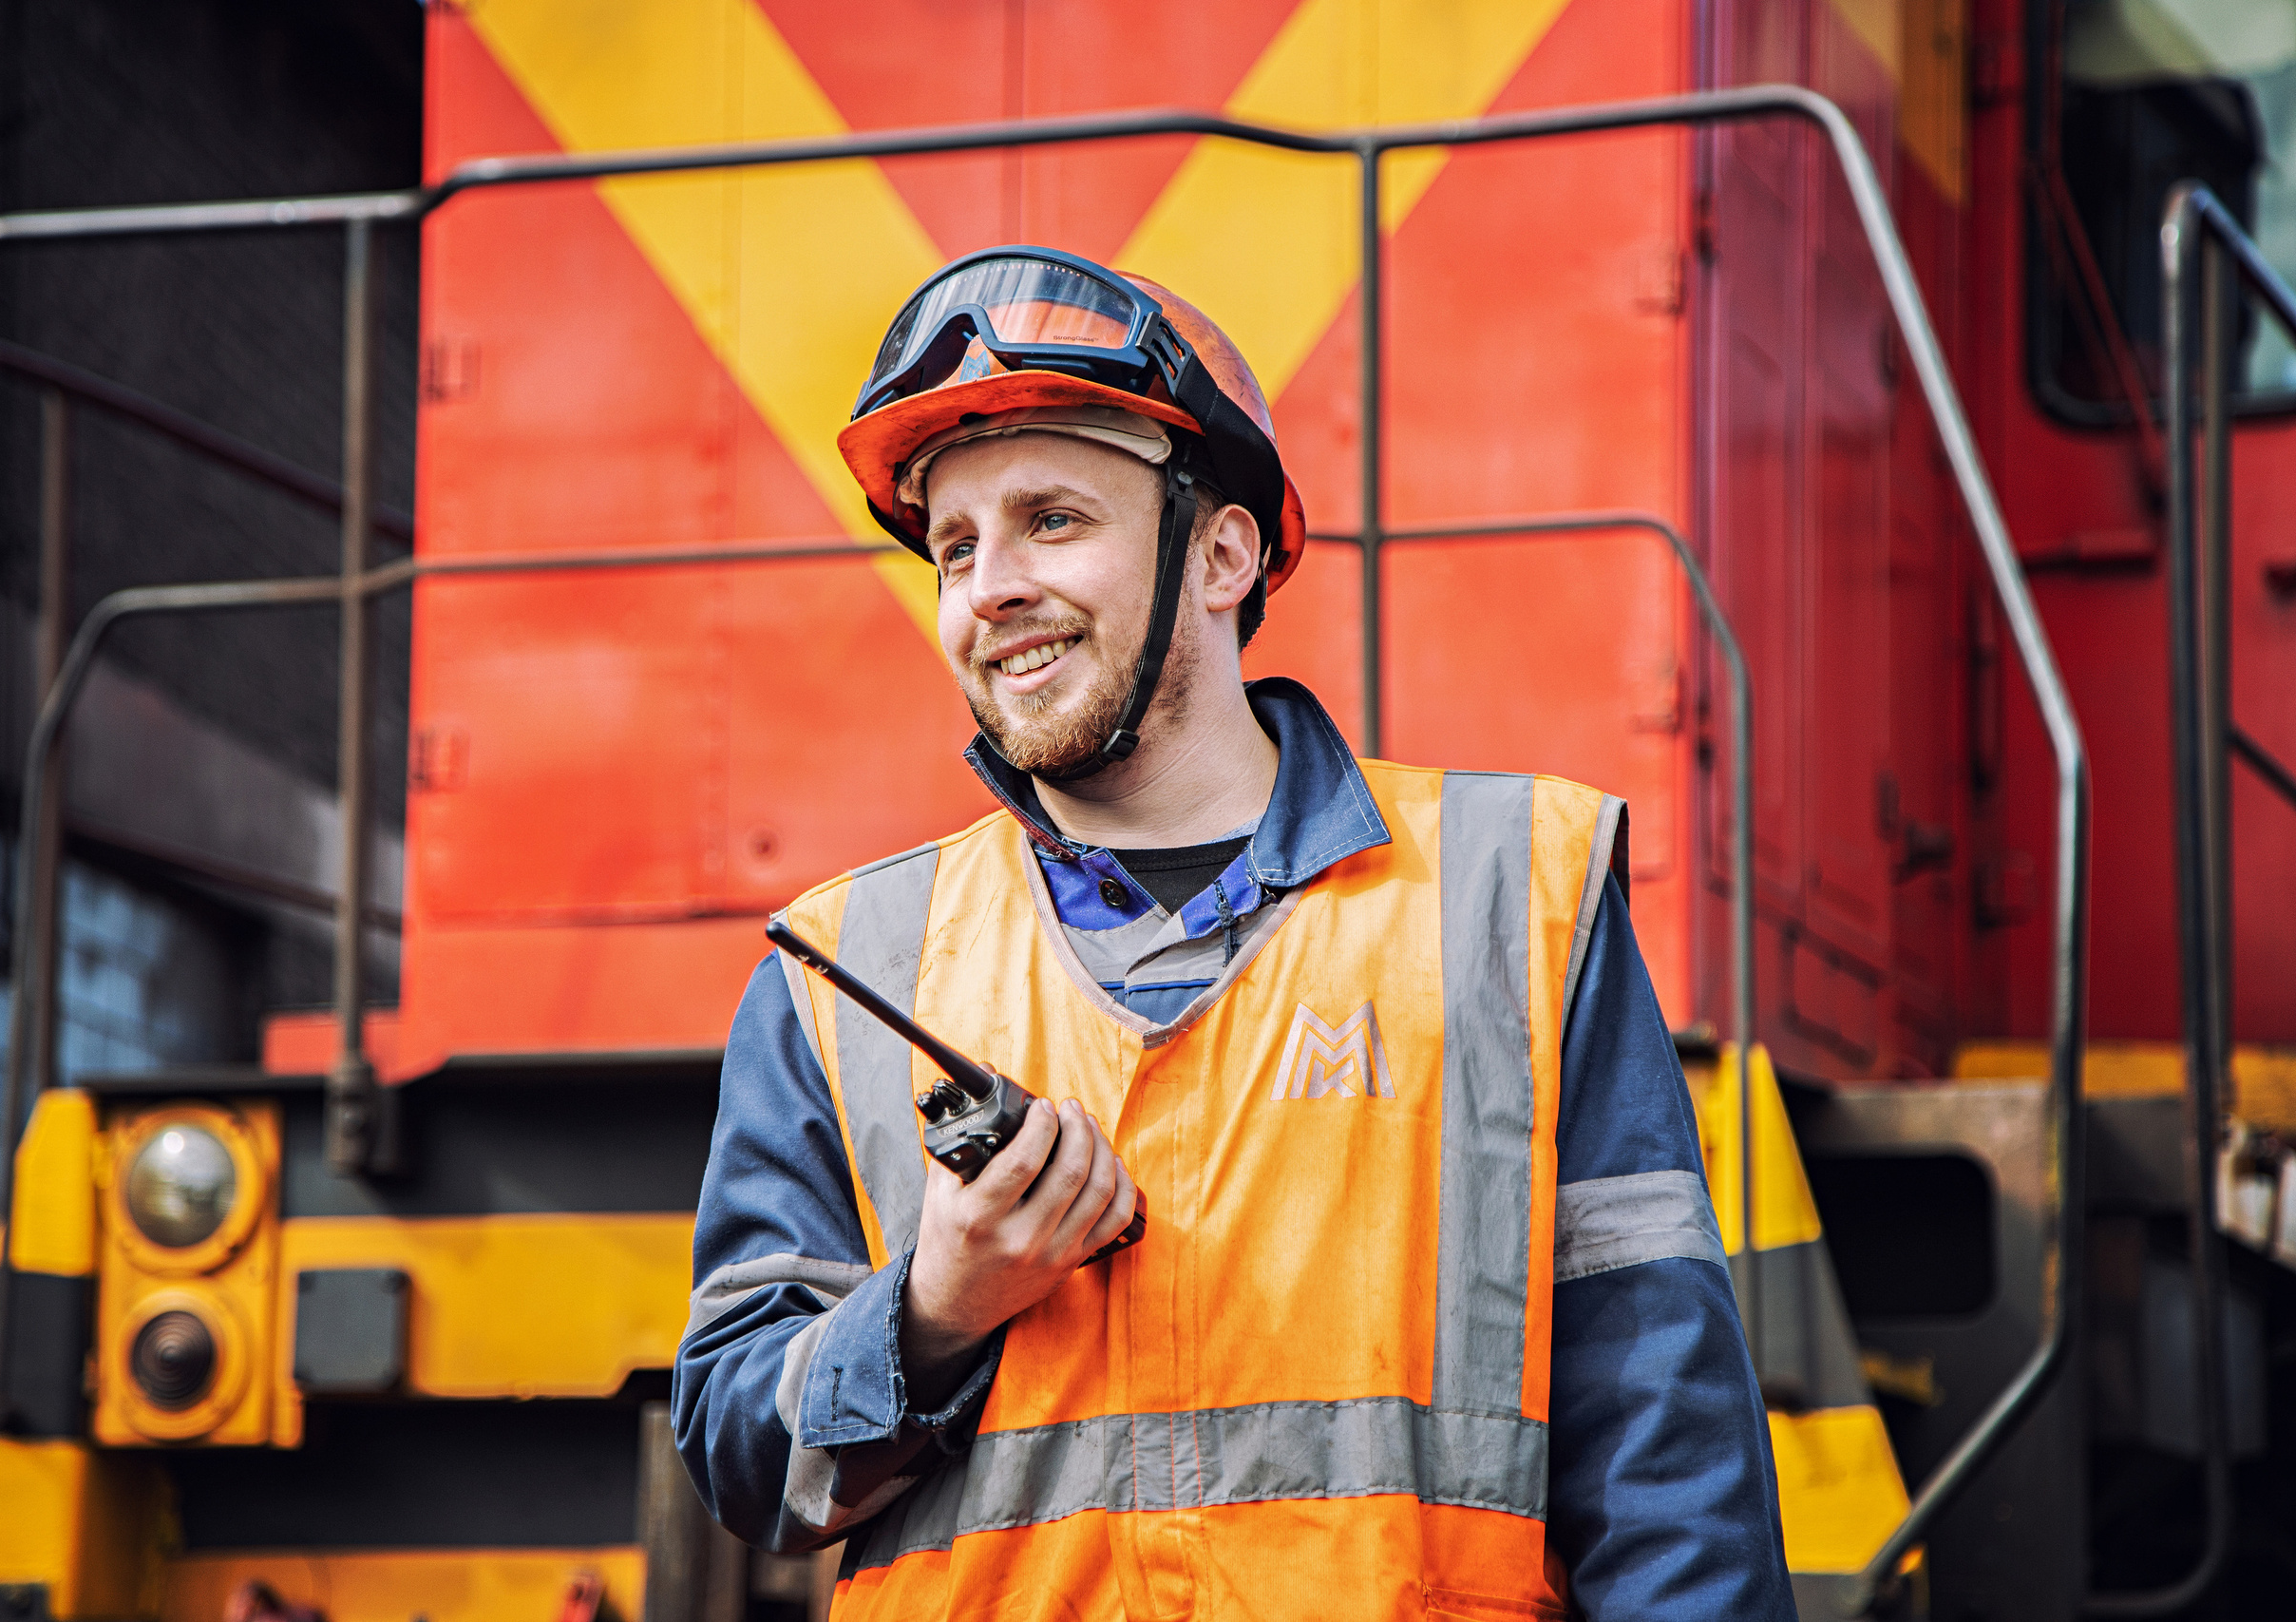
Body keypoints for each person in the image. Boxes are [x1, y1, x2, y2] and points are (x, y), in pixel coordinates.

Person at [674, 246, 1794, 1620]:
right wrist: (937, 1309)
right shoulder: (838, 973)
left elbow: (1669, 1471)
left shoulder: (1515, 898)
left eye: (1050, 519)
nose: (989, 587)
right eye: (955, 545)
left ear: (1222, 552)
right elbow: (743, 1467)